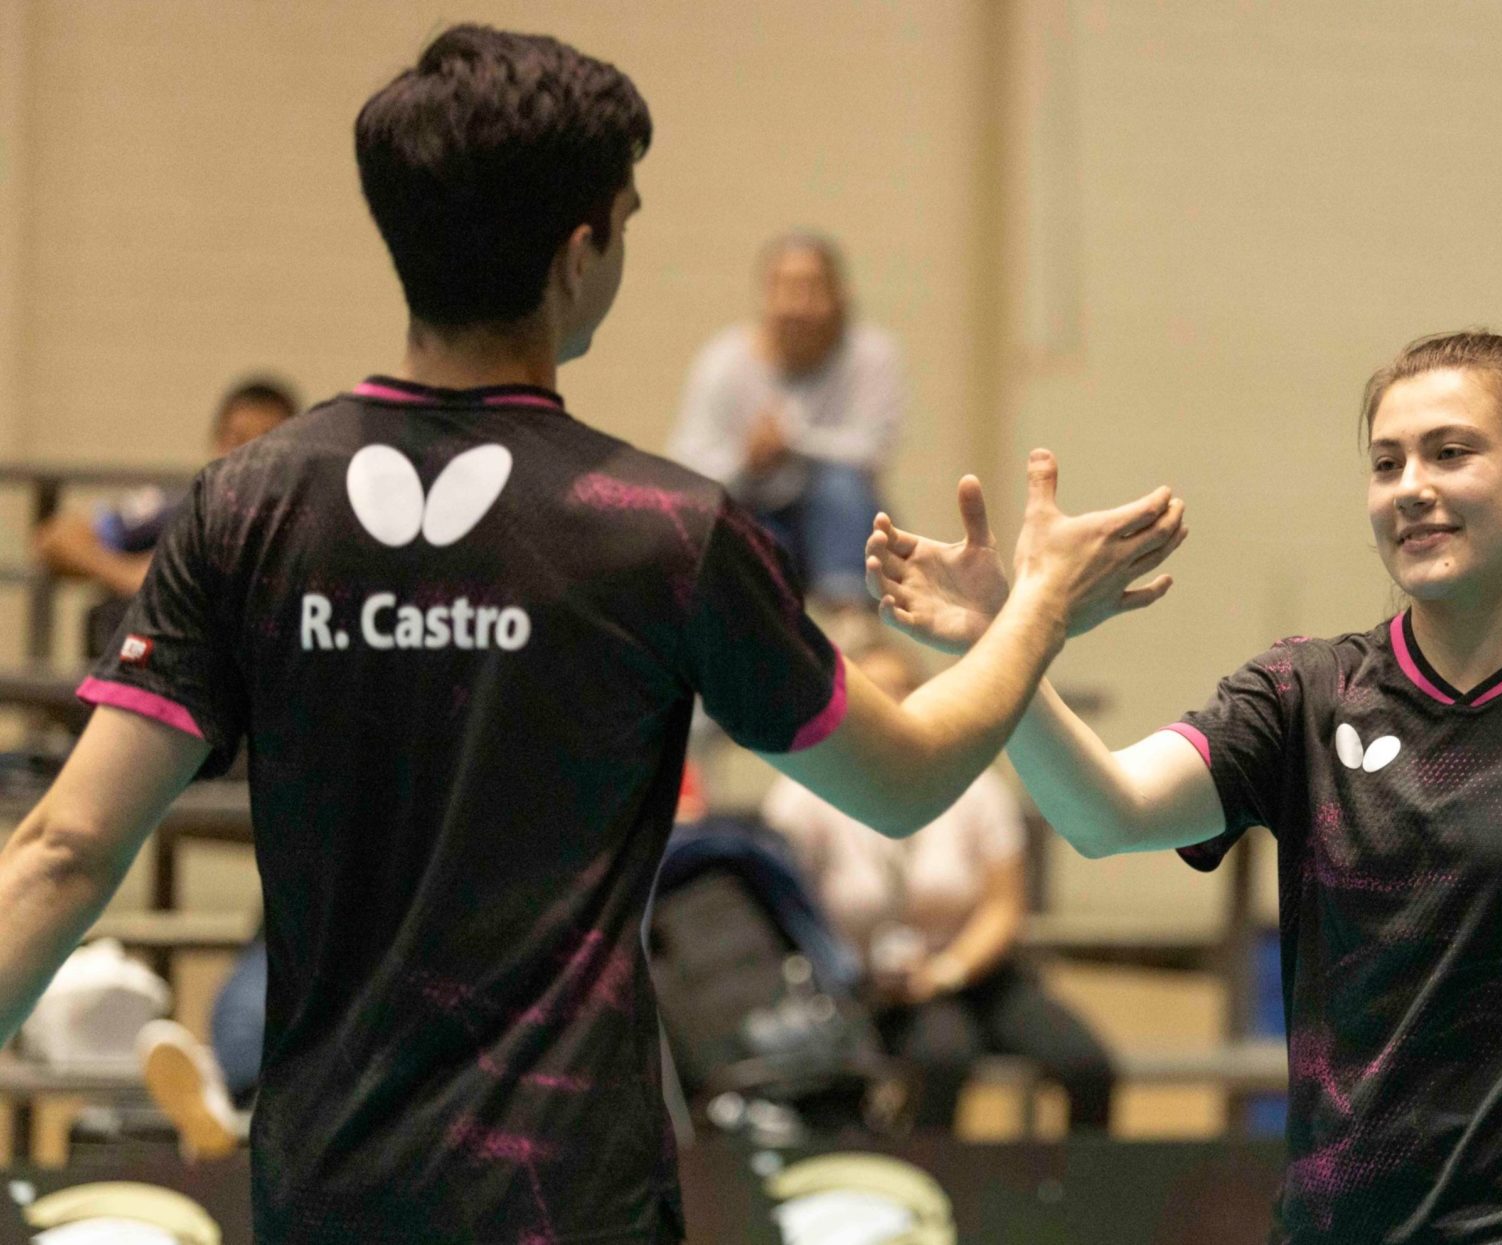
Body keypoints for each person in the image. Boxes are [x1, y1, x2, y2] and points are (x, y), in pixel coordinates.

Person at [0, 26, 1185, 1245]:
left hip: (328, 1196)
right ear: (580, 253)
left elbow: (62, 851)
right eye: (626, 218)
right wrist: (1037, 607)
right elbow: (903, 779)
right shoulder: (661, 532)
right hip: (566, 1199)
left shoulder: (247, 507)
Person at [867, 330, 1502, 1244]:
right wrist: (1006, 640)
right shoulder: (1304, 695)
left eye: (1451, 453)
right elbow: (1105, 814)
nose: (1412, 487)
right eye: (1387, 463)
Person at [763, 640, 1117, 1133]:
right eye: (875, 692)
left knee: (1086, 1064)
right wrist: (855, 976)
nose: (892, 703)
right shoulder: (802, 796)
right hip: (859, 988)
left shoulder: (977, 786)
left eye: (904, 689)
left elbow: (1003, 908)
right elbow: (782, 910)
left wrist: (946, 973)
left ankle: (1074, 1181)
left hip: (972, 974)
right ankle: (928, 1177)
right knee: (943, 1056)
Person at [666, 231, 902, 606]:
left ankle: (850, 614)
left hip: (840, 523)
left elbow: (872, 450)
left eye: (811, 289)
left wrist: (794, 442)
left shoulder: (871, 355)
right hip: (755, 511)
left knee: (841, 488)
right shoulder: (723, 362)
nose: (798, 306)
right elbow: (686, 469)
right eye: (786, 289)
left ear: (840, 296)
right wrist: (748, 463)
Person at [34, 378, 296, 655]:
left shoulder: (308, 530)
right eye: (236, 440)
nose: (249, 456)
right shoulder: (174, 509)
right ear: (216, 444)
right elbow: (57, 538)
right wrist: (136, 576)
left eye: (268, 441)